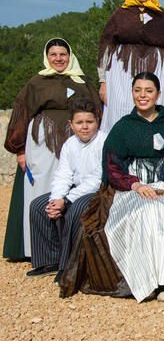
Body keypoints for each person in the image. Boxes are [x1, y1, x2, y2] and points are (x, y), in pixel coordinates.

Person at [103, 72, 164, 303]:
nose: (142, 95)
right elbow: (112, 164)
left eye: (148, 90)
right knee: (144, 213)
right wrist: (134, 184)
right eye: (137, 90)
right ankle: (147, 281)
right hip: (134, 187)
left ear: (158, 94)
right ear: (132, 93)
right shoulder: (123, 127)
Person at [3, 38, 101, 260]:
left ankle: (70, 246)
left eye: (63, 54)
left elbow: (96, 112)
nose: (58, 59)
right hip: (42, 146)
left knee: (73, 188)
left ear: (70, 56)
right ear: (47, 57)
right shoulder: (36, 82)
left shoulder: (82, 82)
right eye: (53, 54)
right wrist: (20, 150)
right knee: (44, 188)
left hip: (77, 143)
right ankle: (38, 248)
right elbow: (21, 114)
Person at [26, 98, 106, 280]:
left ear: (97, 121)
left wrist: (67, 200)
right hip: (74, 189)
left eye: (89, 122)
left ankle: (68, 265)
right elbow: (63, 174)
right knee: (39, 206)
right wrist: (56, 199)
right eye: (79, 123)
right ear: (71, 124)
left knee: (75, 209)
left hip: (98, 191)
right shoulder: (70, 144)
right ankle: (50, 260)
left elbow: (97, 178)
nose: (84, 127)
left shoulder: (104, 141)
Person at [97, 0, 164, 132]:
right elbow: (106, 47)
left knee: (153, 111)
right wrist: (103, 82)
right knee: (121, 110)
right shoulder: (120, 14)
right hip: (121, 74)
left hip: (157, 72)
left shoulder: (162, 17)